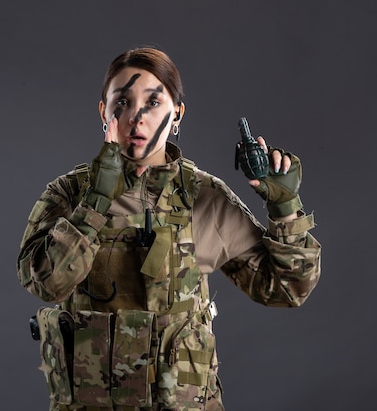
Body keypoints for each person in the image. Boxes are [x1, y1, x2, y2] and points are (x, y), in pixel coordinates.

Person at [17, 47, 321, 411]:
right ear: (104, 111)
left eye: (154, 102)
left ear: (176, 114)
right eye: (122, 103)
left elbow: (287, 288)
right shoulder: (69, 194)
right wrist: (97, 200)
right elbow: (45, 283)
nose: (137, 118)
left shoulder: (204, 197)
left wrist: (285, 209)